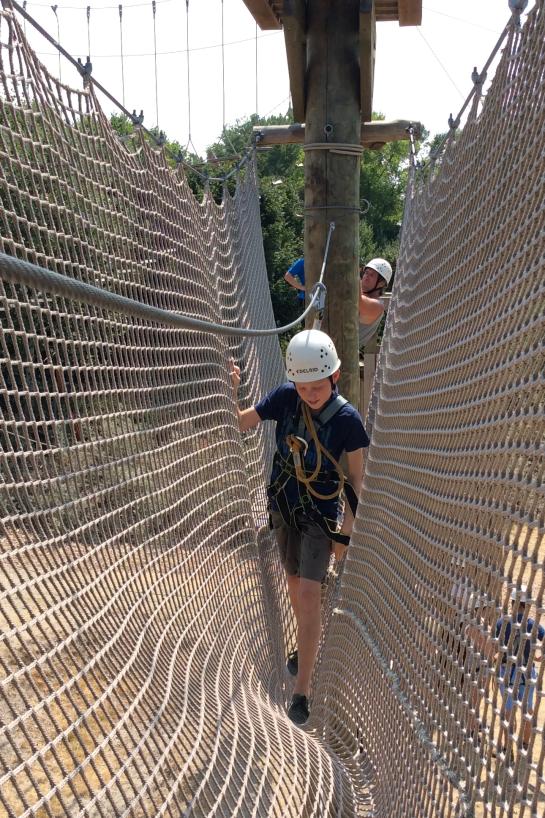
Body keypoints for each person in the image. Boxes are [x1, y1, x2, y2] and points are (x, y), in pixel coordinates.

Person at [230, 329, 369, 726]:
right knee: (295, 587)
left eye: (317, 386)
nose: (309, 394)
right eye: (303, 387)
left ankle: (302, 690)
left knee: (308, 593)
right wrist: (231, 389)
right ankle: (304, 641)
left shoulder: (347, 420)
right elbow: (242, 423)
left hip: (320, 517)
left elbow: (357, 478)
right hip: (284, 508)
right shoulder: (285, 398)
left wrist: (346, 531)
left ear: (335, 376)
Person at [495, 586, 544, 752]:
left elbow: (495, 647)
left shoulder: (502, 622)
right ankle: (525, 745)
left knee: (508, 712)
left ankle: (507, 748)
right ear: (527, 604)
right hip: (527, 673)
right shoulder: (532, 625)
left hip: (507, 673)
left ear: (513, 603)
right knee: (527, 711)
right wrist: (539, 657)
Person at [358, 258, 392, 351]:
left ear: (381, 283)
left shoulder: (378, 306)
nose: (366, 276)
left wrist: (353, 273)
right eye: (366, 272)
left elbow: (358, 301)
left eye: (371, 275)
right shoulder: (360, 294)